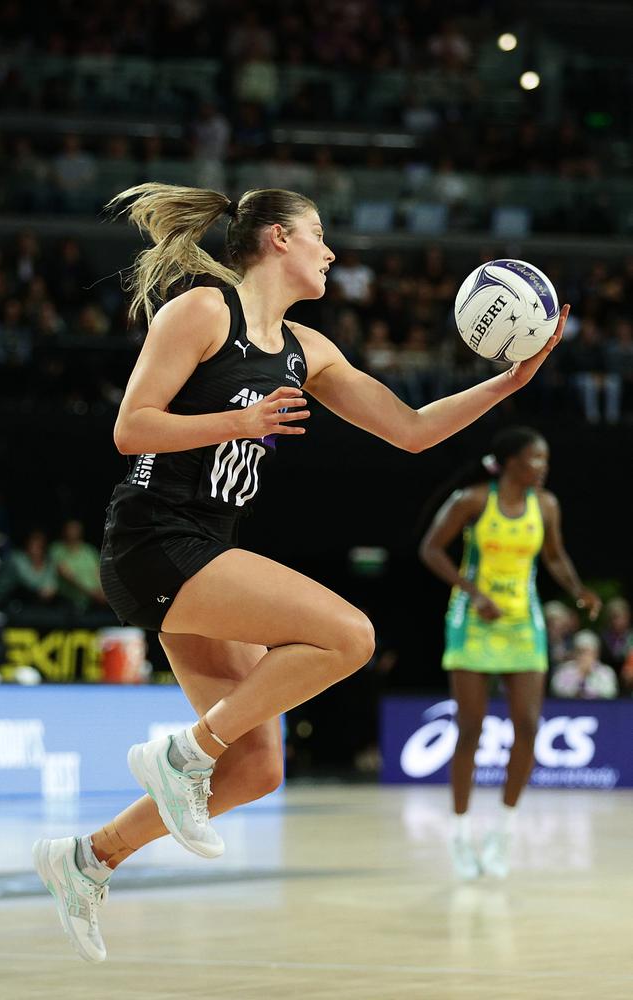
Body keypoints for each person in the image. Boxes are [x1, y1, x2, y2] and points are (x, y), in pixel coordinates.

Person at [33, 183, 568, 963]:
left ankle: (89, 858)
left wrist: (508, 385)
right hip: (153, 534)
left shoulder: (305, 348)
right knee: (350, 636)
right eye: (320, 237)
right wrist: (241, 422)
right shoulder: (203, 311)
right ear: (279, 239)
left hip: (201, 543)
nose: (332, 252)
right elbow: (130, 427)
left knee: (257, 767)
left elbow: (411, 431)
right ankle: (187, 751)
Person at [419, 426, 601, 881]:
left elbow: (555, 556)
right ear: (512, 463)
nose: (544, 467)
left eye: (546, 459)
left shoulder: (547, 505)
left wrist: (578, 590)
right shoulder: (473, 500)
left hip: (523, 622)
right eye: (537, 459)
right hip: (473, 622)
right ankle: (460, 835)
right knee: (470, 730)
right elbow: (431, 549)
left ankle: (503, 832)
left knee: (527, 725)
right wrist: (473, 592)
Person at [550, 629, 618, 699]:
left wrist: (588, 675)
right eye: (580, 652)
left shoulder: (605, 671)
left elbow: (610, 692)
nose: (584, 656)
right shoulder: (564, 670)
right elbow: (557, 689)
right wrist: (579, 676)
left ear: (596, 653)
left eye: (587, 652)